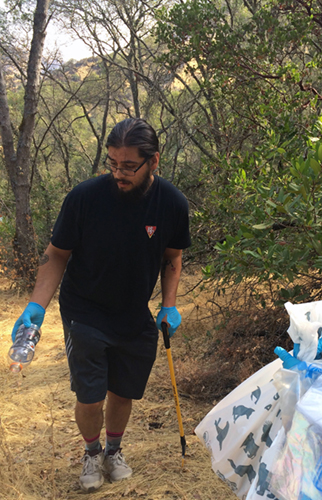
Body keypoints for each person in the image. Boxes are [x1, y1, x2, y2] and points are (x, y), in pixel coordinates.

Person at [11, 118, 191, 493]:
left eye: (128, 166)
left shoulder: (171, 203)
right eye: (112, 164)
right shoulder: (85, 198)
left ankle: (113, 450)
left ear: (153, 162)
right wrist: (36, 306)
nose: (118, 174)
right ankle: (91, 453)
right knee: (90, 396)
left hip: (133, 311)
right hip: (85, 309)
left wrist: (169, 304)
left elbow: (172, 257)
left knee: (123, 392)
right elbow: (57, 254)